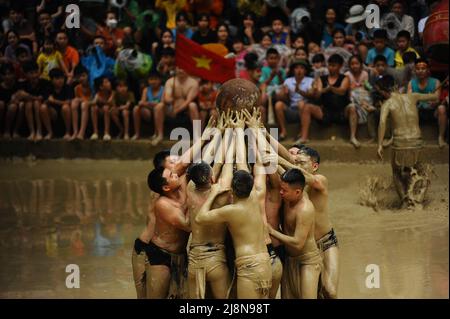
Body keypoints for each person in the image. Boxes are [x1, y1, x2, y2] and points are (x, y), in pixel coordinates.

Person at [196, 112, 272, 299]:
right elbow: (242, 163)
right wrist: (240, 131)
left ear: (231, 192)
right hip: (266, 263)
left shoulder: (231, 211)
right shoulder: (256, 195)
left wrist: (213, 194)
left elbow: (200, 218)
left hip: (249, 266)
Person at [276, 145, 339, 299]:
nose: (297, 166)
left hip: (325, 241)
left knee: (330, 291)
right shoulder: (292, 186)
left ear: (314, 166)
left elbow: (303, 175)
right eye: (295, 163)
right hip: (304, 249)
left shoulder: (320, 180)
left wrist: (277, 159)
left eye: (302, 163)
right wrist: (262, 132)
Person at [377, 75, 442, 208]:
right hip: (417, 141)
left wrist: (379, 145)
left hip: (400, 143)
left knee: (396, 173)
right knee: (420, 171)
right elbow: (436, 96)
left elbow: (382, 122)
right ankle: (419, 199)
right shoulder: (413, 96)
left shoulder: (387, 104)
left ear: (383, 92)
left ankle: (405, 201)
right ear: (396, 85)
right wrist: (435, 90)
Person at [187, 133, 234, 299]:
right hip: (215, 258)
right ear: (212, 177)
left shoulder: (190, 189)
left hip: (194, 258)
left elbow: (201, 165)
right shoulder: (221, 193)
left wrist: (216, 132)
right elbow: (227, 162)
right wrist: (231, 136)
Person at [267, 168, 322, 299]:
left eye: (284, 191)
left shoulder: (305, 209)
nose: (280, 192)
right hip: (290, 259)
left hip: (307, 260)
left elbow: (298, 243)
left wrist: (271, 231)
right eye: (281, 188)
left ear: (298, 192)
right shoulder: (287, 197)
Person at [298, 54, 352, 145]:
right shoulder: (321, 78)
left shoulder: (345, 78)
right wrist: (315, 90)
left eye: (334, 65)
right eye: (329, 65)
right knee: (307, 107)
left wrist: (330, 88)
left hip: (341, 111)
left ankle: (352, 138)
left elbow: (342, 91)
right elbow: (318, 94)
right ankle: (304, 137)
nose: (331, 68)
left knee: (352, 108)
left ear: (340, 66)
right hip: (325, 111)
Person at [407, 58, 447, 148]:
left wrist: (434, 102)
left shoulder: (436, 82)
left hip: (432, 111)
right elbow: (409, 99)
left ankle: (441, 137)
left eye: (423, 68)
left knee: (441, 108)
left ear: (428, 70)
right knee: (410, 108)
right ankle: (415, 138)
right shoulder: (411, 83)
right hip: (418, 111)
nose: (420, 71)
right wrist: (426, 97)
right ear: (415, 70)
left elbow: (436, 99)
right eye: (418, 69)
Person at [158, 67, 200, 146]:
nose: (181, 70)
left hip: (186, 109)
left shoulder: (193, 83)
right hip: (171, 107)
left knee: (193, 105)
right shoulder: (170, 82)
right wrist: (170, 100)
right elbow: (167, 97)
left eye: (183, 68)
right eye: (179, 68)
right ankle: (159, 134)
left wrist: (177, 110)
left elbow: (189, 100)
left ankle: (197, 135)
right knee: (159, 106)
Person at [275, 59, 314, 141]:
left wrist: (299, 91)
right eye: (296, 68)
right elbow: (283, 98)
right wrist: (284, 94)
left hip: (304, 109)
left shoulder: (310, 80)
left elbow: (311, 95)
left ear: (305, 70)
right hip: (291, 109)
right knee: (278, 104)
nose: (299, 70)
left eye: (302, 68)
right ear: (293, 70)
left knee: (301, 103)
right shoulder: (288, 81)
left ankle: (301, 132)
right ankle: (283, 131)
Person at [14, 61, 50, 141]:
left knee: (36, 103)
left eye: (36, 72)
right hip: (26, 111)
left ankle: (39, 131)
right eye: (31, 73)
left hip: (43, 110)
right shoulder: (22, 84)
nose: (34, 75)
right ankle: (32, 132)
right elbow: (16, 98)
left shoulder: (45, 83)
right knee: (28, 104)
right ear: (26, 74)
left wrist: (28, 96)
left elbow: (41, 99)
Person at [40, 68, 73, 140]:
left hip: (65, 114)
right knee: (43, 107)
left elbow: (68, 102)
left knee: (65, 107)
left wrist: (54, 101)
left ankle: (68, 133)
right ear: (52, 80)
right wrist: (48, 101)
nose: (60, 80)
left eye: (62, 78)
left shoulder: (67, 87)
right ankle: (50, 132)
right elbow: (45, 101)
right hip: (53, 114)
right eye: (57, 78)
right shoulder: (48, 88)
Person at [134, 71, 164, 141]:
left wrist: (147, 103)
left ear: (160, 80)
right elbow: (141, 103)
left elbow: (162, 102)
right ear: (148, 81)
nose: (153, 82)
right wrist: (149, 104)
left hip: (161, 111)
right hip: (149, 111)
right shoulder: (146, 89)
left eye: (155, 79)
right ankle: (137, 134)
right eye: (151, 79)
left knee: (159, 107)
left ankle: (158, 134)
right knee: (136, 108)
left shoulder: (163, 89)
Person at [1, 63, 23, 139]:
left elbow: (23, 96)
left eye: (10, 74)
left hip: (15, 111)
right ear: (1, 76)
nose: (7, 76)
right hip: (3, 111)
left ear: (13, 74)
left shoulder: (18, 84)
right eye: (5, 74)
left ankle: (13, 131)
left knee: (17, 106)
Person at [71, 65, 93, 140]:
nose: (81, 78)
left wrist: (82, 100)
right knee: (74, 102)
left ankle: (81, 133)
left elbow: (93, 100)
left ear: (88, 75)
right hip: (82, 110)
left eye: (83, 76)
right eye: (79, 77)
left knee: (84, 104)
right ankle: (75, 132)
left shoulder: (92, 86)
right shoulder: (76, 88)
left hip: (92, 108)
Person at [90, 76, 114, 141]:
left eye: (109, 81)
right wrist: (95, 101)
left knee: (106, 108)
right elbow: (93, 102)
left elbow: (110, 103)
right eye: (106, 82)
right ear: (101, 87)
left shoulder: (112, 93)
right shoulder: (98, 94)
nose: (109, 83)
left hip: (111, 112)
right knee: (93, 108)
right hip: (100, 112)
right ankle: (95, 132)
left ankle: (106, 132)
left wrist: (102, 101)